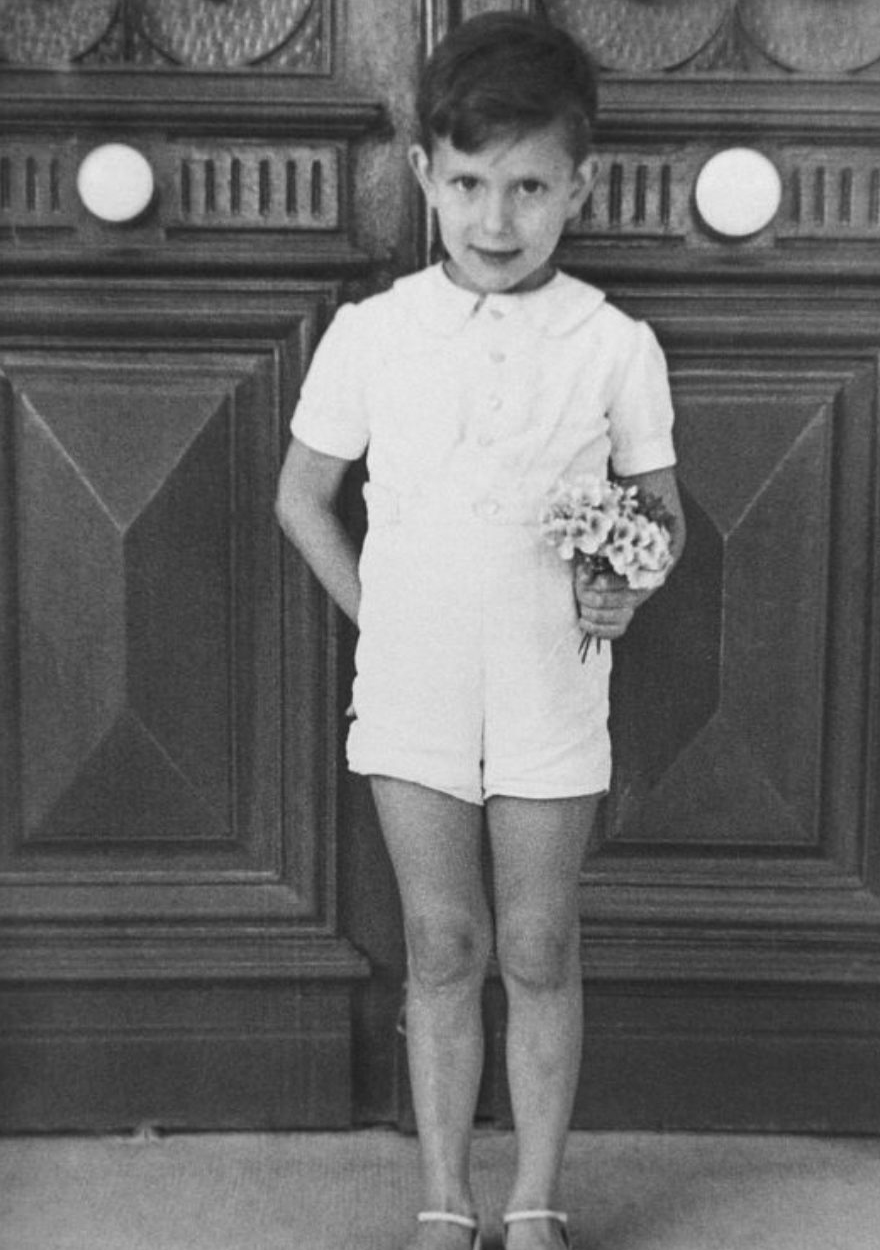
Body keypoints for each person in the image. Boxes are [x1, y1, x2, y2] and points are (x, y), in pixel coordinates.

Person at [276, 13, 684, 1249]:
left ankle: (535, 1201)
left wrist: (628, 581)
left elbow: (656, 514)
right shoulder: (374, 333)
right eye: (467, 184)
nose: (494, 219)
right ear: (423, 179)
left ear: (578, 185)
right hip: (412, 690)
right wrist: (380, 615)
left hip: (550, 686)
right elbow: (302, 498)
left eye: (526, 187)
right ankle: (446, 1198)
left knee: (539, 937)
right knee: (444, 940)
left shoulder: (613, 345)